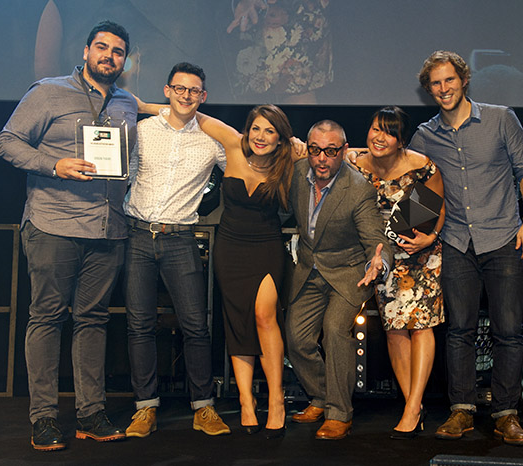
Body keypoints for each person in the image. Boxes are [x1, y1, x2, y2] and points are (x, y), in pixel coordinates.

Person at [0, 21, 137, 451]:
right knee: (47, 318)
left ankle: (91, 413)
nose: (108, 56)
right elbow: (7, 142)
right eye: (102, 47)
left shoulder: (127, 103)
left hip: (108, 228)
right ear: (86, 51)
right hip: (53, 223)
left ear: (124, 60)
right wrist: (54, 165)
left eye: (117, 51)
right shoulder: (48, 92)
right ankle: (43, 418)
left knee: (93, 320)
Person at [409, 50, 523, 446]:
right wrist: (419, 234)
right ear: (428, 89)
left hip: (503, 237)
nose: (443, 88)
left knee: (508, 331)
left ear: (464, 80)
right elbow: (419, 190)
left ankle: (506, 414)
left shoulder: (501, 118)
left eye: (449, 80)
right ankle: (461, 410)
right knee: (459, 331)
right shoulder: (424, 136)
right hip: (455, 242)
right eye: (435, 83)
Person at [122, 62, 230, 439]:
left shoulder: (212, 139)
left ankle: (203, 407)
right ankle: (145, 408)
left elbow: (243, 164)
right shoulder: (142, 130)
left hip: (181, 238)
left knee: (196, 326)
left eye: (194, 90)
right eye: (179, 89)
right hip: (136, 235)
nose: (186, 95)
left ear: (203, 96)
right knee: (139, 326)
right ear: (167, 90)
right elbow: (123, 174)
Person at [194, 104, 298, 439]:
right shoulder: (232, 144)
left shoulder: (290, 160)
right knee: (237, 319)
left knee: (265, 316)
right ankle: (245, 401)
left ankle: (277, 400)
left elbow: (341, 152)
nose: (261, 136)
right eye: (256, 128)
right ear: (247, 130)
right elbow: (193, 112)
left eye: (270, 131)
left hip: (266, 247)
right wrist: (137, 104)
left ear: (280, 137)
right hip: (230, 248)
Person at [286, 120, 392, 440]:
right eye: (315, 150)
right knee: (296, 338)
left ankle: (339, 413)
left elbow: (376, 240)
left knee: (334, 330)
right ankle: (321, 396)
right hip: (309, 269)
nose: (322, 158)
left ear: (344, 151)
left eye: (331, 151)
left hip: (348, 274)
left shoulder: (358, 188)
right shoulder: (297, 174)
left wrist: (378, 262)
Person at [350, 106, 445, 439]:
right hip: (382, 258)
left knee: (420, 327)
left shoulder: (421, 166)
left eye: (390, 133)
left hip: (419, 254)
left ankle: (413, 407)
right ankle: (412, 405)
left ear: (401, 140)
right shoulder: (355, 164)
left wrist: (431, 238)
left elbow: (438, 204)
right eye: (376, 129)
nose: (380, 137)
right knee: (394, 331)